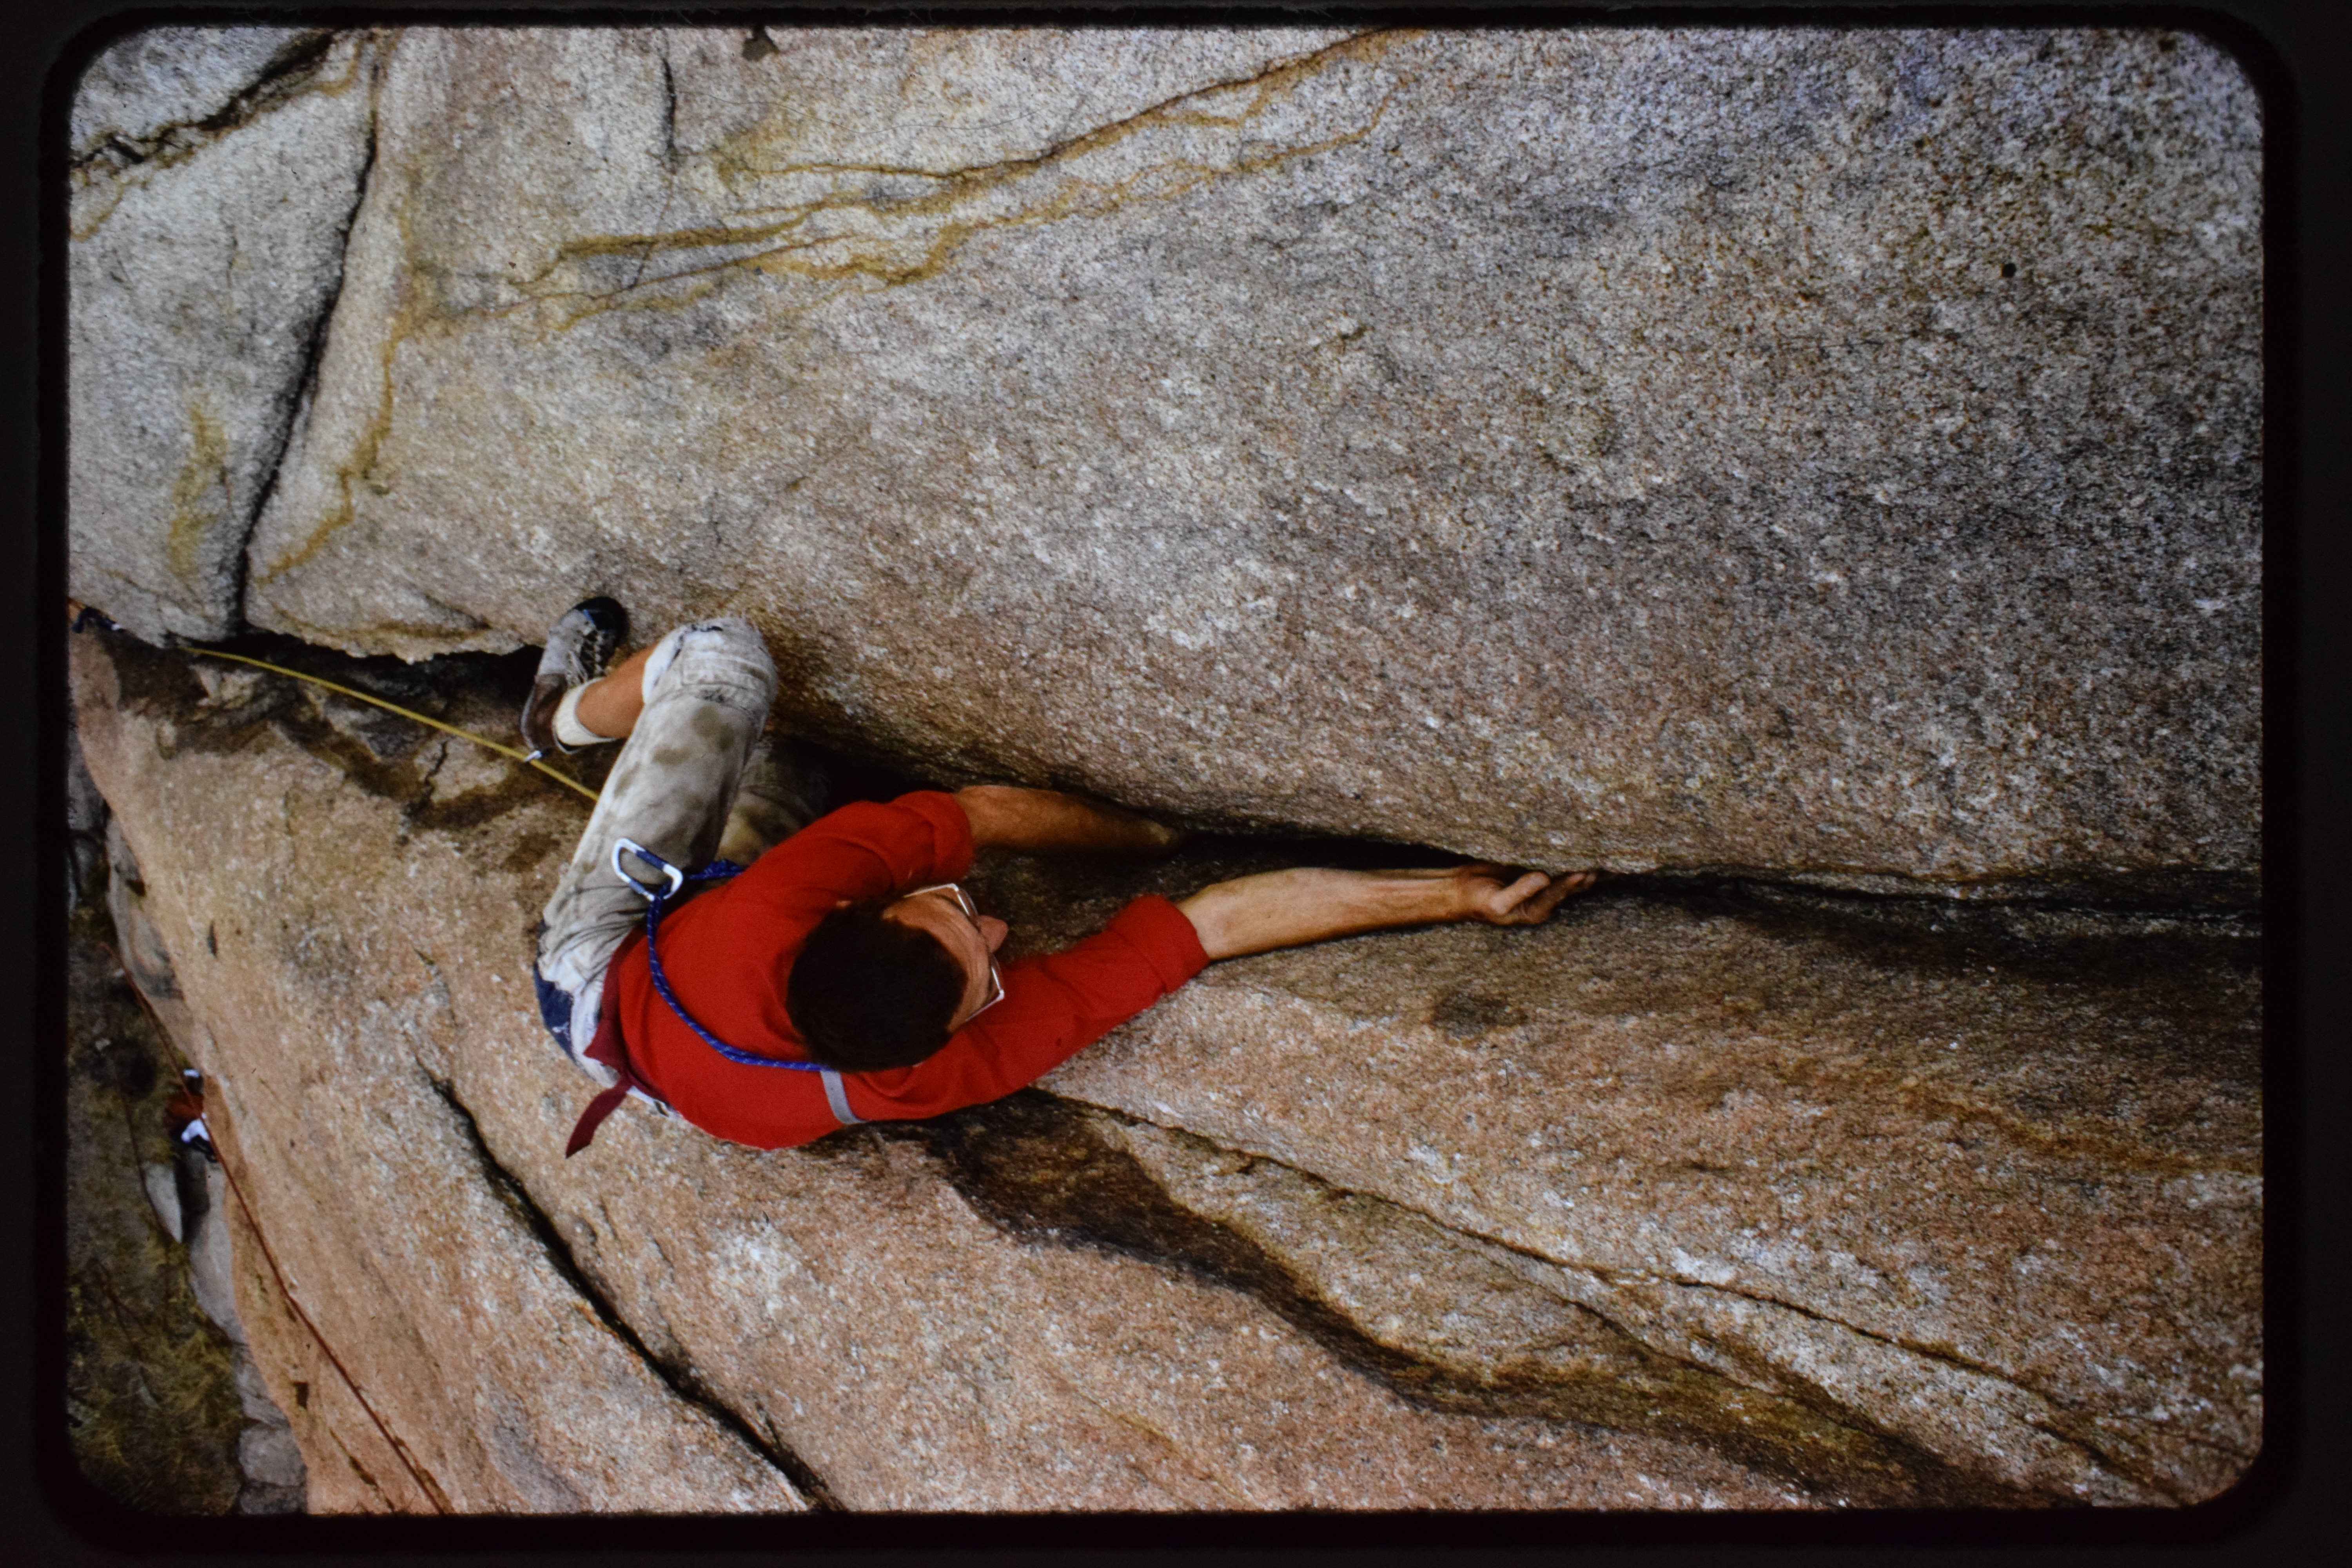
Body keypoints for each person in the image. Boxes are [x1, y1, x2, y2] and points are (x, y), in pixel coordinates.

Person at [524, 601, 1596, 1156]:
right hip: (628, 1004)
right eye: (983, 972)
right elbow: (1206, 932)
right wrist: (1455, 895)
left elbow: (985, 820)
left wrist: (1148, 834)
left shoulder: (779, 909)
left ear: (850, 912)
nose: (996, 935)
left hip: (636, 1002)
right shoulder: (929, 1068)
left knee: (762, 712)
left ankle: (568, 718)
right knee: (764, 715)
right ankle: (566, 720)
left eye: (954, 914)